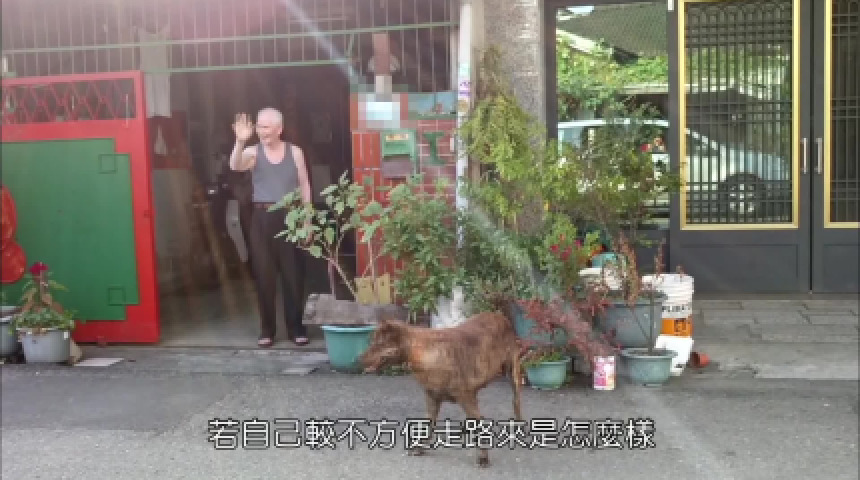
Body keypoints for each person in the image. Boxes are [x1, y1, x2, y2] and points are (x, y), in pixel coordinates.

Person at [229, 108, 312, 347]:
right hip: (262, 218)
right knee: (264, 276)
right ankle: (267, 330)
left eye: (266, 127)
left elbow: (304, 185)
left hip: (291, 217)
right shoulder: (253, 152)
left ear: (279, 129)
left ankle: (296, 328)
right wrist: (239, 141)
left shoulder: (295, 152)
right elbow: (235, 165)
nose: (261, 131)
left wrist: (307, 221)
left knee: (293, 275)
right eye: (259, 126)